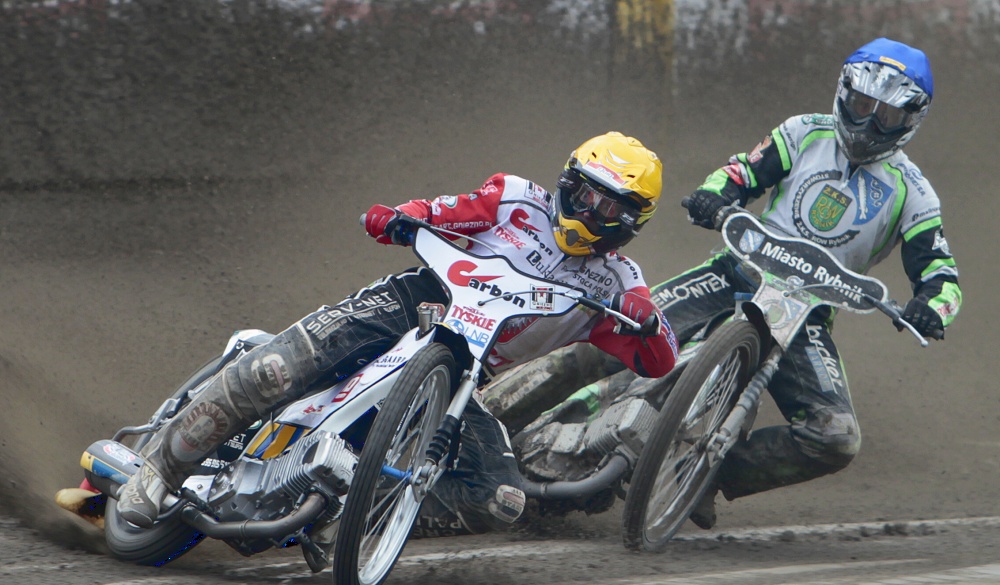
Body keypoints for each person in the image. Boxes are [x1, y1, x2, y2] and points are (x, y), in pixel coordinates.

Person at [487, 38, 962, 530]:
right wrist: (714, 196)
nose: (867, 124)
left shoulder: (915, 194)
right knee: (609, 338)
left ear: (911, 119)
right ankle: (487, 412)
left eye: (885, 116)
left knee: (836, 437)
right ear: (844, 94)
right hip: (732, 273)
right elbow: (740, 173)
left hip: (807, 314)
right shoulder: (804, 132)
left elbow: (942, 275)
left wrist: (933, 306)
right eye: (862, 105)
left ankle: (701, 473)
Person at [104, 131, 678, 536]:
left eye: (608, 206)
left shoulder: (619, 282)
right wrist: (399, 216)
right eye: (584, 193)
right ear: (566, 182)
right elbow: (438, 211)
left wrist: (646, 319)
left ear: (632, 222)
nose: (589, 209)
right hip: (410, 304)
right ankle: (158, 471)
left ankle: (365, 515)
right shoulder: (513, 198)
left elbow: (661, 358)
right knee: (274, 370)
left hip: (462, 377)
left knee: (502, 501)